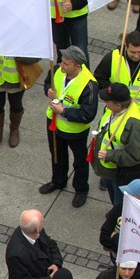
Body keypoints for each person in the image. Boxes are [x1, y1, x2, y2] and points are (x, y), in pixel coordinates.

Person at [93, 32, 140, 179]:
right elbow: (99, 78)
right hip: (115, 112)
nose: (137, 55)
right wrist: (111, 93)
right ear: (125, 46)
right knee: (109, 139)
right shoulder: (112, 58)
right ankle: (108, 172)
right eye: (133, 52)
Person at [40, 46, 97, 207]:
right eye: (62, 61)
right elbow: (47, 84)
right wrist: (48, 92)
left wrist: (63, 111)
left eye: (66, 63)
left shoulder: (89, 85)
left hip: (75, 131)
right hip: (54, 124)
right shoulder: (57, 69)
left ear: (77, 66)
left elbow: (87, 115)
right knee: (57, 154)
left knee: (79, 161)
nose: (61, 65)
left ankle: (81, 189)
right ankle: (58, 181)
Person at [90, 83, 140, 206]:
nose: (105, 102)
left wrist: (110, 156)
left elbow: (136, 155)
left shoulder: (135, 125)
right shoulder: (112, 110)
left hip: (119, 172)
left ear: (118, 105)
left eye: (108, 101)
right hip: (108, 169)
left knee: (120, 202)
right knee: (113, 195)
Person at [4, 209, 63, 279]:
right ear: (37, 229)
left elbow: (51, 244)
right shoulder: (16, 255)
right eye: (42, 222)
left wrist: (56, 263)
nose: (44, 224)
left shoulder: (29, 229)